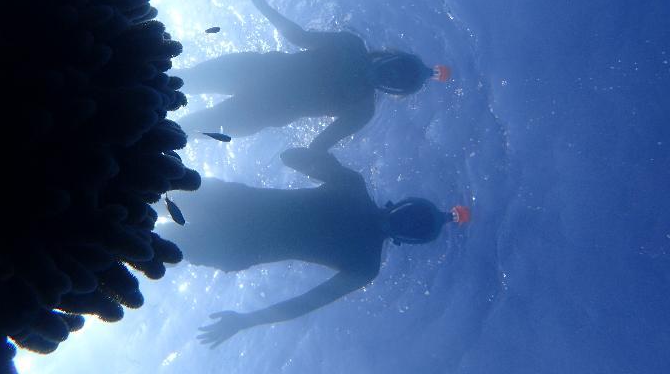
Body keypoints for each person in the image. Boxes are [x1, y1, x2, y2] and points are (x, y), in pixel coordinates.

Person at [160, 147, 470, 348]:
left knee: (143, 185)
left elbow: (288, 156)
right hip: (236, 248)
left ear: (401, 203)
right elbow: (304, 304)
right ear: (405, 241)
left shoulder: (353, 187)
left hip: (234, 205)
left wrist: (326, 160)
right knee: (144, 243)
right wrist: (245, 321)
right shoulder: (365, 266)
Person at [176, 0, 450, 151]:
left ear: (394, 91)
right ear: (392, 55)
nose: (389, 73)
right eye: (396, 68)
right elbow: (318, 147)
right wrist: (264, 6)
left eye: (396, 78)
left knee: (184, 113)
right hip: (258, 97)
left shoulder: (353, 59)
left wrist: (265, 6)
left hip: (256, 93)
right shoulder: (360, 97)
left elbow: (319, 146)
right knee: (183, 91)